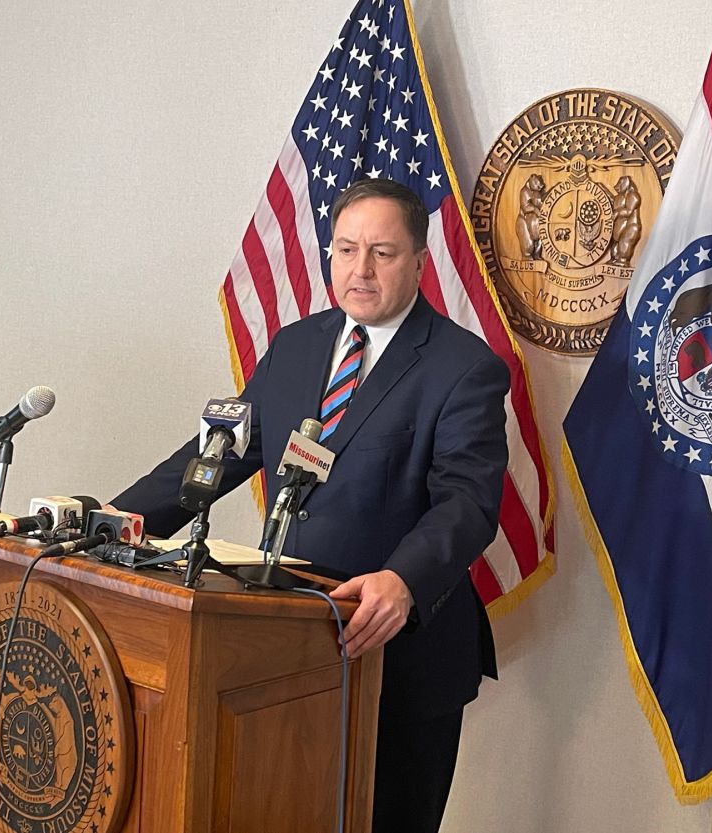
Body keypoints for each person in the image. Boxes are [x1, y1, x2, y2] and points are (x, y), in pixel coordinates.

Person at [112, 178, 509, 833]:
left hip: (397, 650)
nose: (360, 268)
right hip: (285, 644)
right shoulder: (296, 345)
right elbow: (218, 453)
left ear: (419, 261)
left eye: (382, 252)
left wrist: (403, 579)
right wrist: (118, 519)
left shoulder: (464, 367)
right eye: (347, 248)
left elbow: (467, 502)